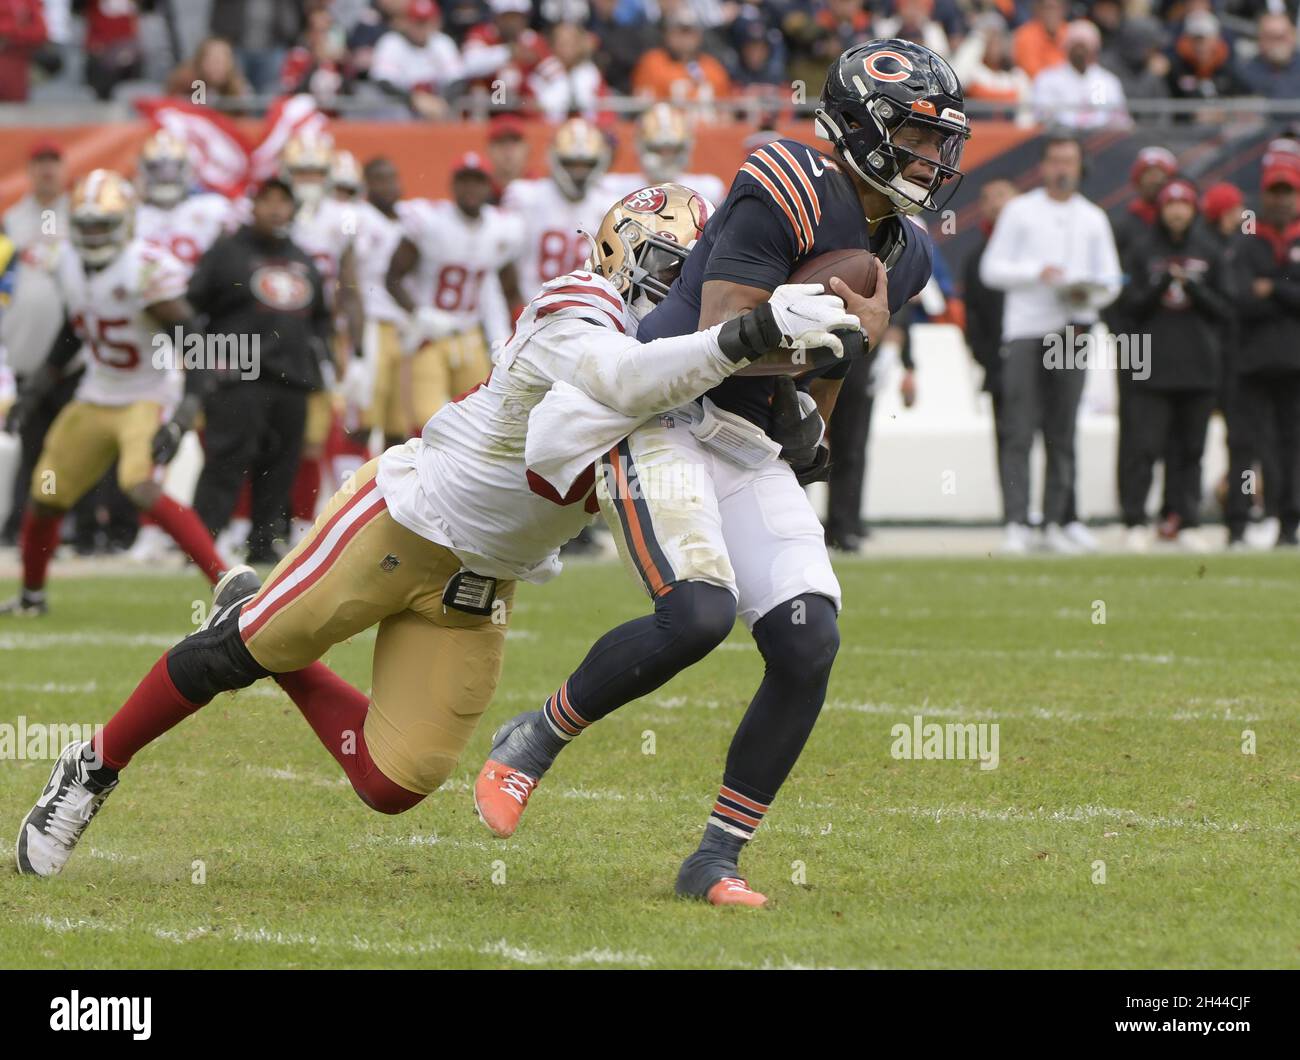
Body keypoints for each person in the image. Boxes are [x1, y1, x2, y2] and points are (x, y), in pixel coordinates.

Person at [12, 186, 860, 877]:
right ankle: (92, 767)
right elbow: (624, 376)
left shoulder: (692, 359)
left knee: (394, 782)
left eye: (695, 274)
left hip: (486, 576)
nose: (679, 291)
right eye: (669, 269)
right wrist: (746, 333)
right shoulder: (581, 305)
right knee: (236, 655)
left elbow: (722, 437)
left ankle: (259, 625)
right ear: (620, 253)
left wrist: (796, 411)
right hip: (409, 518)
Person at [474, 39, 961, 907]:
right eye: (915, 135)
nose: (933, 156)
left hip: (749, 436)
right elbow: (725, 325)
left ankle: (715, 857)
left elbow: (830, 374)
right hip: (666, 411)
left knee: (808, 638)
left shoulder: (909, 252)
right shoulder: (786, 177)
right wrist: (835, 337)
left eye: (938, 138)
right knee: (697, 612)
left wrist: (817, 426)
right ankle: (534, 740)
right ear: (858, 128)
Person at [0, 170, 229, 617]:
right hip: (95, 393)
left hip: (147, 394)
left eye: (101, 224)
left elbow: (195, 342)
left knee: (138, 485)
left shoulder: (144, 268)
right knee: (46, 495)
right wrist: (35, 391)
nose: (93, 234)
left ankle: (228, 586)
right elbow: (75, 329)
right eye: (85, 225)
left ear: (123, 223)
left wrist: (184, 413)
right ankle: (31, 597)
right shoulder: (65, 260)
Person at [980, 133, 1121, 554]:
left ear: (1079, 167)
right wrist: (1035, 272)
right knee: (1019, 429)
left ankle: (1058, 520)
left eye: (1070, 161)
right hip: (1026, 331)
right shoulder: (1021, 211)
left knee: (1063, 431)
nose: (1062, 169)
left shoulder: (1093, 217)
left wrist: (1087, 293)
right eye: (1056, 160)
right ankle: (1018, 521)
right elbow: (993, 269)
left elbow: (1111, 280)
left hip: (1073, 329)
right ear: (1044, 166)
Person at [188, 177, 333, 566]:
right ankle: (202, 543)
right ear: (252, 207)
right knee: (226, 460)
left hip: (292, 381)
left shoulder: (303, 259)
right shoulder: (225, 252)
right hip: (239, 375)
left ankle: (265, 542)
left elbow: (320, 319)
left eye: (283, 201)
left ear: (293, 209)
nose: (275, 209)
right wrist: (200, 362)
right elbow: (189, 309)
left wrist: (323, 363)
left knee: (280, 466)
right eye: (266, 200)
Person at [1115, 177, 1231, 552]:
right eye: (1170, 205)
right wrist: (1162, 282)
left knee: (1191, 450)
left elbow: (1225, 310)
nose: (1178, 211)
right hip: (1150, 366)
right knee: (1144, 448)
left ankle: (1186, 520)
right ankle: (1135, 520)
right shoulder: (1142, 250)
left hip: (1198, 366)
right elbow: (1129, 308)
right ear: (1161, 210)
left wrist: (1193, 287)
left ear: (1194, 209)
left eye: (1184, 204)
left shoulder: (1209, 250)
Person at [384, 151, 523, 437]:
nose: (470, 189)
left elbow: (508, 289)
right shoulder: (430, 222)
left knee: (477, 422)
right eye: (464, 181)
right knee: (426, 420)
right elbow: (392, 276)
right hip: (429, 334)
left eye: (478, 182)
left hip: (470, 333)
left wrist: (511, 335)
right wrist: (419, 313)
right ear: (453, 185)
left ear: (488, 187)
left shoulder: (502, 227)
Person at [1225, 162, 1300, 548]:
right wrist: (1287, 289)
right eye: (1275, 192)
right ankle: (1239, 523)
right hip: (1252, 360)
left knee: (1292, 445)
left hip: (1293, 361)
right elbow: (1238, 298)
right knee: (1245, 444)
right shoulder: (1248, 238)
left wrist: (1272, 287)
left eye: (1288, 192)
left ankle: (1290, 521)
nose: (1281, 200)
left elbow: (1263, 293)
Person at [1, 141, 70, 547]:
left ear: (63, 169)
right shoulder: (11, 220)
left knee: (72, 449)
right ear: (30, 171)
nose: (47, 171)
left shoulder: (81, 214)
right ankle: (21, 528)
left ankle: (78, 528)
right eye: (40, 163)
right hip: (27, 354)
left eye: (53, 162)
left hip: (73, 359)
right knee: (31, 447)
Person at [962, 177, 1017, 477]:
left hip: (1045, 360)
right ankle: (1015, 515)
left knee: (1056, 436)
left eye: (1002, 195)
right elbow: (972, 314)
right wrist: (988, 357)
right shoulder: (975, 259)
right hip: (999, 365)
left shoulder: (1035, 250)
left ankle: (1061, 514)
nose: (996, 203)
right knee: (1008, 438)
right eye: (988, 197)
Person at [1031, 19, 1129, 130]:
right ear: (1067, 47)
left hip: (1099, 140)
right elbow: (1042, 116)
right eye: (1075, 45)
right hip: (1061, 139)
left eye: (1084, 46)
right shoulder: (1049, 79)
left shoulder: (1105, 81)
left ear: (1094, 49)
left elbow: (1118, 118)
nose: (1080, 52)